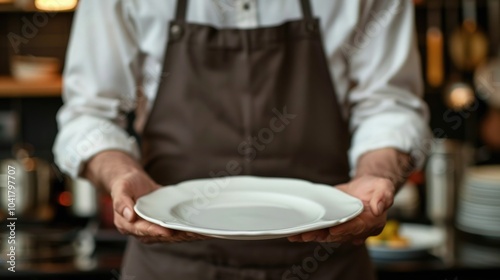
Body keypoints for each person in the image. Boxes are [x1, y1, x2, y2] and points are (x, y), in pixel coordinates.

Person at [53, 0, 430, 279]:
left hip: (327, 262)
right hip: (171, 266)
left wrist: (376, 176)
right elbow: (90, 113)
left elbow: (389, 106)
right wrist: (119, 174)